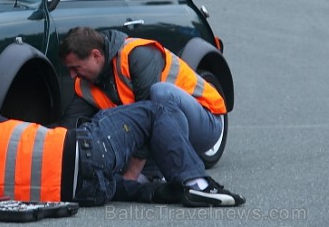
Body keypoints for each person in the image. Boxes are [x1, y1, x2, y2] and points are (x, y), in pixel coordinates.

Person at [0, 101, 244, 208]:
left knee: (118, 182)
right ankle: (194, 181)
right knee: (154, 112)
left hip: (83, 194)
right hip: (83, 152)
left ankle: (163, 192)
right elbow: (7, 125)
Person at [57, 27, 226, 181]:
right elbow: (69, 127)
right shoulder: (85, 84)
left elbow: (150, 116)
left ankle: (178, 173)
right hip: (169, 127)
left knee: (161, 93)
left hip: (207, 122)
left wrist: (132, 175)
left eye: (76, 67)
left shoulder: (137, 54)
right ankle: (155, 171)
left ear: (96, 56)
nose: (73, 75)